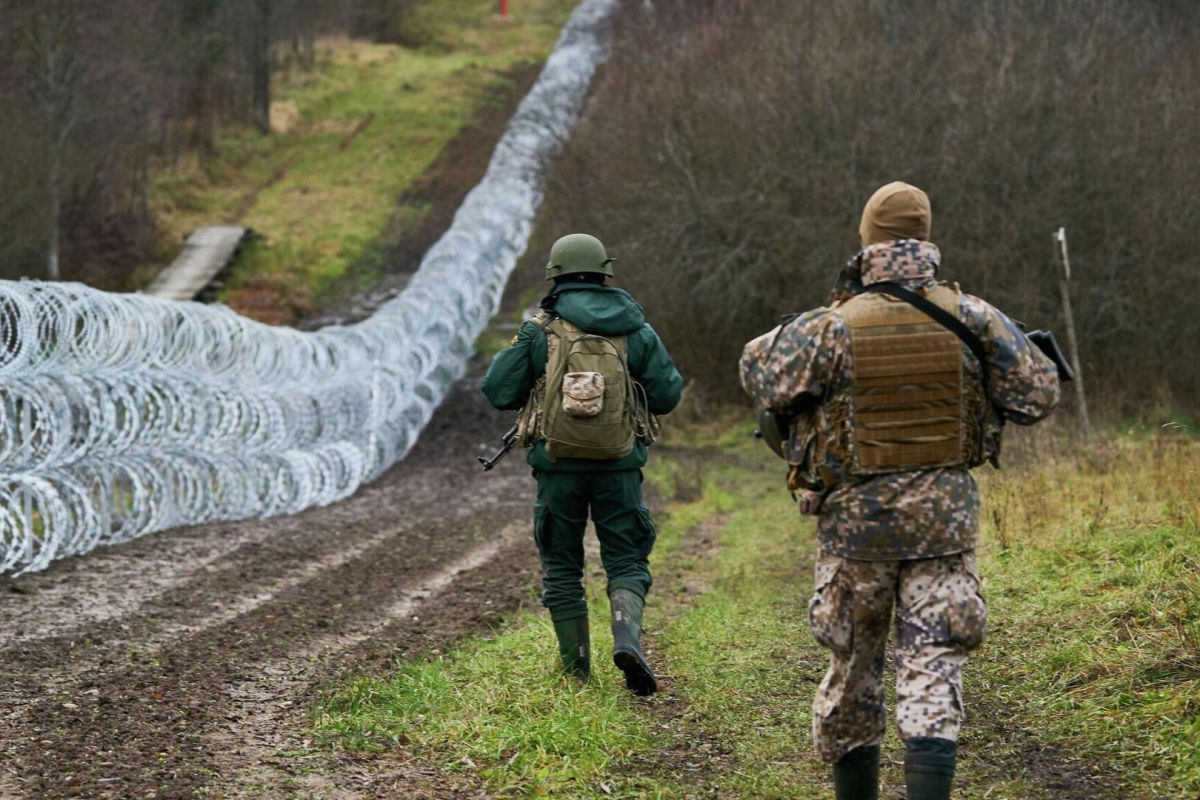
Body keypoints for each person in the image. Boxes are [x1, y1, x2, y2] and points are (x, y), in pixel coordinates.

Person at [739, 182, 1061, 800]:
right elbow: (1038, 397)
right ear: (926, 240)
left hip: (857, 527)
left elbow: (761, 376)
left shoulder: (832, 327)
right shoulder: (975, 318)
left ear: (868, 240)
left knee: (855, 670)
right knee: (933, 668)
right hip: (944, 525)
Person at [482, 233, 683, 695]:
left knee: (562, 567)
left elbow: (498, 390)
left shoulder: (540, 329)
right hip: (619, 468)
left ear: (554, 275)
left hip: (557, 468)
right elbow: (668, 395)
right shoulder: (635, 327)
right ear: (605, 272)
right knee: (627, 559)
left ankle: (577, 677)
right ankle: (627, 637)